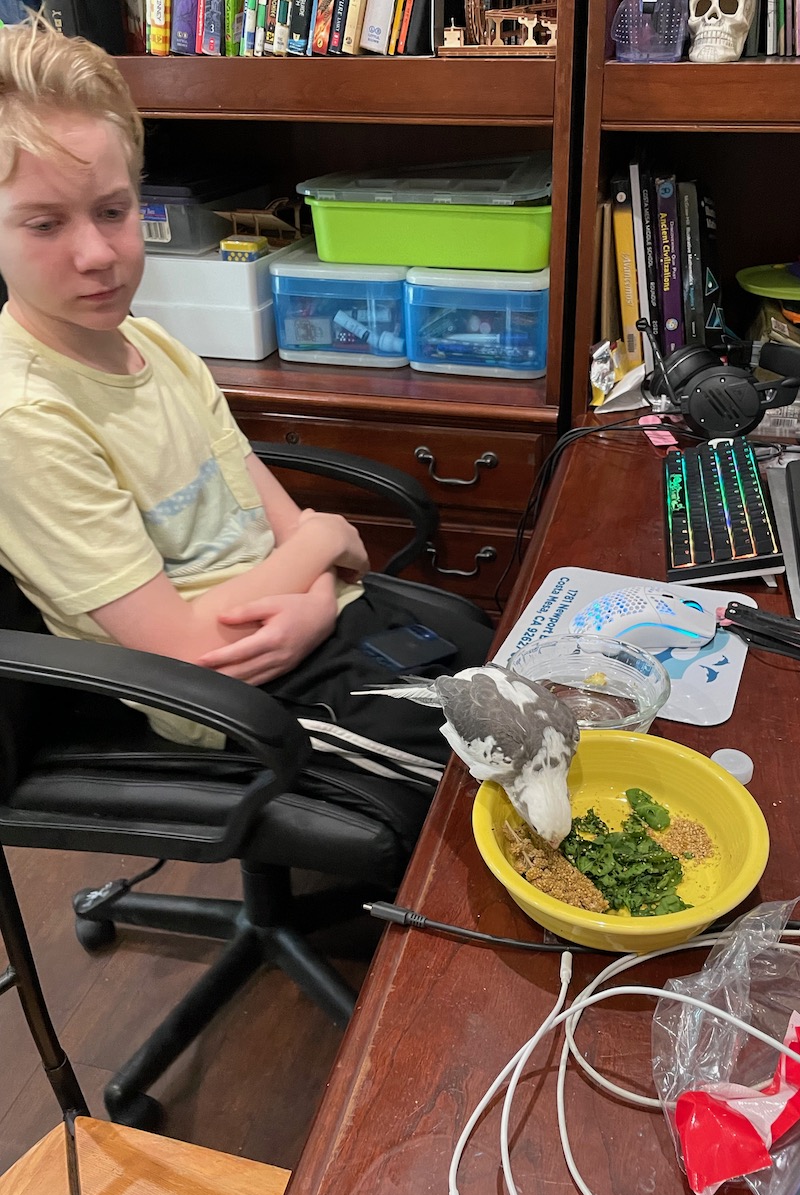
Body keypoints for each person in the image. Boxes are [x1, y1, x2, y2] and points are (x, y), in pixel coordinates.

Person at [0, 16, 491, 787]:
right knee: (486, 774)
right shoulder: (26, 418)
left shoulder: (152, 345)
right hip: (234, 696)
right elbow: (191, 648)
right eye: (44, 224)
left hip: (311, 621)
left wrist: (319, 591)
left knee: (509, 673)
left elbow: (312, 538)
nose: (97, 254)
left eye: (113, 210)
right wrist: (325, 546)